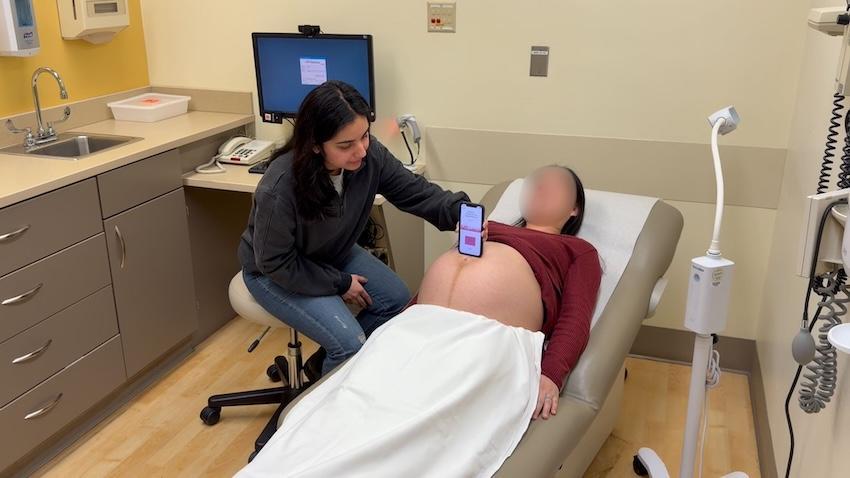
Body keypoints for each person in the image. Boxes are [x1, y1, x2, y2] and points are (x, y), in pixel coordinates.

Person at [238, 80, 469, 375]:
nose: (361, 150)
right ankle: (323, 409)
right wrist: (341, 283)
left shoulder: (370, 157)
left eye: (365, 136)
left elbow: (415, 191)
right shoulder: (280, 187)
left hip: (331, 253)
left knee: (397, 302)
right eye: (346, 145)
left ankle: (323, 366)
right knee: (350, 343)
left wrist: (461, 213)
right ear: (315, 146)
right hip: (274, 272)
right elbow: (275, 262)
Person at [416, 164, 602, 420]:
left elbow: (576, 316)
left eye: (558, 185)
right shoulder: (486, 226)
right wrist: (398, 325)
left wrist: (551, 374)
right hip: (422, 328)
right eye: (538, 181)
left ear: (574, 209)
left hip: (486, 341)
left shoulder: (577, 250)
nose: (543, 187)